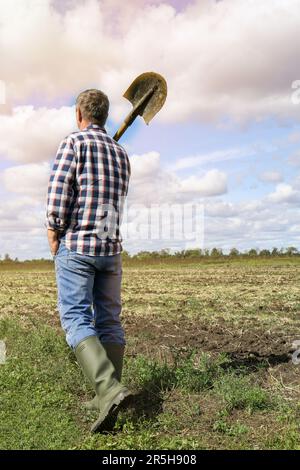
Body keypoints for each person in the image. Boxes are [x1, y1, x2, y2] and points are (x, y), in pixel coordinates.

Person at [45, 89, 131, 433]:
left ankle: (108, 389)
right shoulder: (122, 153)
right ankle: (106, 398)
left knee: (76, 318)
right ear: (105, 116)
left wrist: (54, 229)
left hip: (78, 245)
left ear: (79, 113)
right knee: (109, 320)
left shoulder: (74, 143)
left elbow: (59, 190)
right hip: (110, 249)